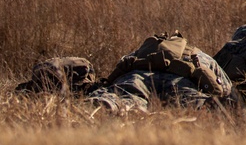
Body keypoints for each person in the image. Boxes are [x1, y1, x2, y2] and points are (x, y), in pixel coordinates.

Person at [87, 31, 232, 112]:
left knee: (122, 96)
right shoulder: (199, 55)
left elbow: (120, 69)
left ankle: (115, 106)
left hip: (137, 77)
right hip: (180, 81)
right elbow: (224, 88)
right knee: (194, 104)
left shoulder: (141, 51)